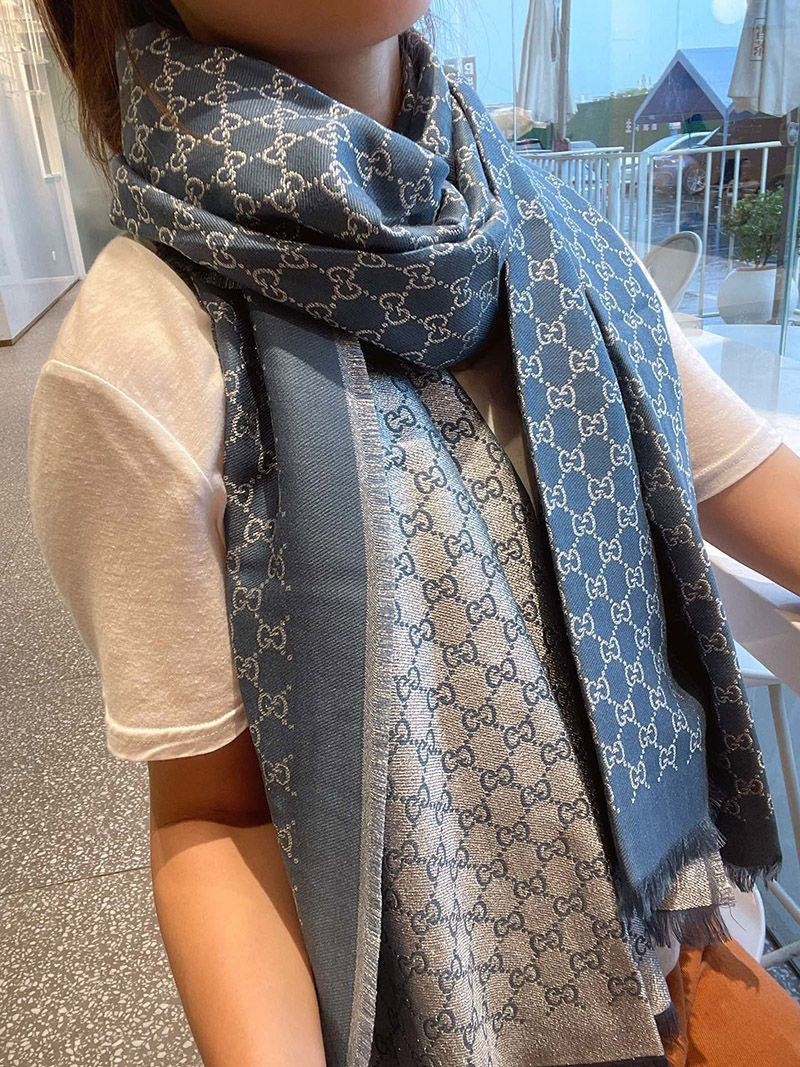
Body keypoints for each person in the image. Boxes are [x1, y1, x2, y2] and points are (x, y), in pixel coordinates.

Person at [26, 1, 800, 1064]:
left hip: (689, 947)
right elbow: (218, 817)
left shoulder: (545, 236)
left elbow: (746, 477)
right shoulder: (139, 355)